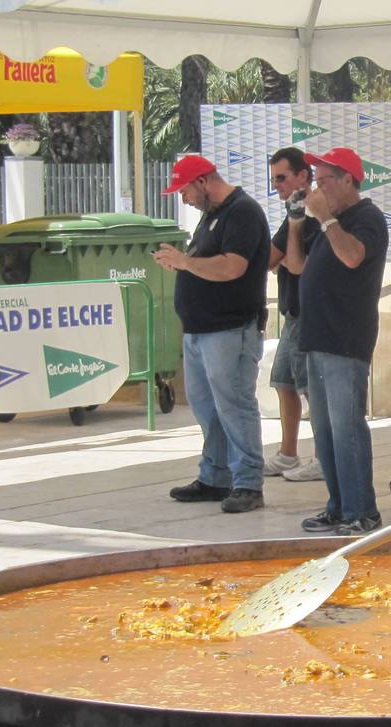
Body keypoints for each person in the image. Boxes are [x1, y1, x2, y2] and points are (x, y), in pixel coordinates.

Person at [153, 154, 270, 513]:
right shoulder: (213, 215)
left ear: (203, 181)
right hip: (200, 330)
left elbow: (233, 267)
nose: (183, 198)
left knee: (234, 405)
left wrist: (185, 262)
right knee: (207, 408)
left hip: (230, 329)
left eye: (185, 190)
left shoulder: (242, 212)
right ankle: (216, 476)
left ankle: (248, 482)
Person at [286, 147, 390, 536]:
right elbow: (297, 267)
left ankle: (363, 511)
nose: (317, 187)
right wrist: (298, 223)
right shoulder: (330, 223)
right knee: (326, 431)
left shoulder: (365, 219)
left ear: (349, 179)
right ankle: (339, 506)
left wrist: (325, 218)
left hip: (346, 339)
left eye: (325, 180)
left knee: (347, 428)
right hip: (318, 338)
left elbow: (352, 257)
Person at [263, 147, 325, 483]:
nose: (278, 186)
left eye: (282, 178)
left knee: (310, 389)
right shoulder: (292, 213)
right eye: (274, 179)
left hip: (310, 314)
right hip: (291, 313)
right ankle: (288, 453)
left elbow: (298, 262)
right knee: (283, 383)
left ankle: (322, 457)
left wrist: (289, 253)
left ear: (304, 176)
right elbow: (273, 259)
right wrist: (287, 253)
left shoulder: (316, 214)